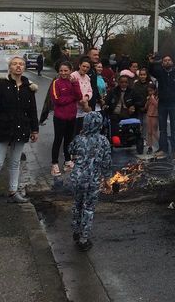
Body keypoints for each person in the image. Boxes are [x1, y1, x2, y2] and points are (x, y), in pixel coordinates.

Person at [0, 56, 39, 208]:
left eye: (21, 64)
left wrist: (35, 129)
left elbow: (32, 110)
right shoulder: (0, 85)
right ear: (10, 67)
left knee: (15, 163)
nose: (18, 66)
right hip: (3, 129)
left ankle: (13, 192)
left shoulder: (29, 87)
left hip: (21, 129)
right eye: (15, 64)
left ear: (24, 67)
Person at [68, 111, 112, 251]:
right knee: (88, 208)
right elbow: (106, 162)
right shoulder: (103, 141)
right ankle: (84, 239)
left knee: (77, 204)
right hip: (92, 180)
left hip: (77, 178)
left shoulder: (79, 139)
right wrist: (107, 179)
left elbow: (70, 149)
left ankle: (76, 230)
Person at [50, 62, 82, 186]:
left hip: (72, 116)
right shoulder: (56, 83)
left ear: (70, 71)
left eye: (66, 71)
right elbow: (57, 100)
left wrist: (74, 85)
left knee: (69, 140)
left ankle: (67, 161)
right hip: (60, 117)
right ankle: (54, 164)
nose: (63, 73)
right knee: (58, 139)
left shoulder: (74, 82)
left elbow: (78, 96)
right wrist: (71, 98)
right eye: (61, 71)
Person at [148, 54, 175, 158]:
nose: (167, 62)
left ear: (172, 62)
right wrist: (151, 62)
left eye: (169, 60)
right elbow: (151, 71)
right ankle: (163, 149)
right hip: (162, 104)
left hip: (174, 104)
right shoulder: (160, 73)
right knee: (162, 128)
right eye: (165, 60)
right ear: (162, 63)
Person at [71, 57, 93, 135]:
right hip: (74, 109)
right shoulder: (73, 76)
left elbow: (90, 91)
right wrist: (80, 100)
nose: (85, 68)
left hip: (84, 109)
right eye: (84, 66)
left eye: (87, 67)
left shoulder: (87, 78)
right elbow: (71, 91)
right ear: (80, 65)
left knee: (81, 132)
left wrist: (86, 97)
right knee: (73, 132)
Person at [145, 83, 159, 154]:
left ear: (155, 90)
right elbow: (146, 107)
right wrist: (147, 100)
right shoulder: (149, 97)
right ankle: (150, 147)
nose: (150, 92)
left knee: (154, 132)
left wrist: (153, 99)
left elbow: (157, 105)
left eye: (151, 91)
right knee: (149, 132)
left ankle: (162, 145)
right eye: (149, 91)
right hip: (149, 114)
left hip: (155, 115)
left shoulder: (157, 97)